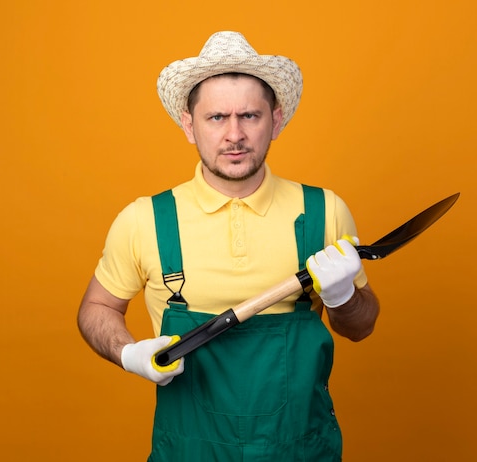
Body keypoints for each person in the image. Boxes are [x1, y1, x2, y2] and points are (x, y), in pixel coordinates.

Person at [78, 31, 380, 461]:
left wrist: (343, 297)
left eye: (250, 117)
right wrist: (128, 353)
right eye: (217, 117)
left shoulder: (324, 211)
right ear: (189, 125)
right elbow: (96, 307)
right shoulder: (146, 220)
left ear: (275, 121)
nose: (234, 135)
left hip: (300, 451)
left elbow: (361, 326)